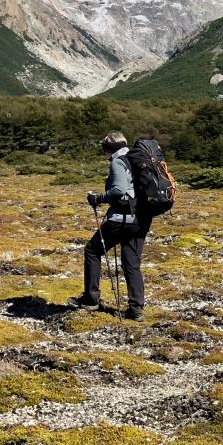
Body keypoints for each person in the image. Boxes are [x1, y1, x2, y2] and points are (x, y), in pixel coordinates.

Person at [69, 131, 149, 321]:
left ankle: (91, 299)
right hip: (141, 220)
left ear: (109, 149)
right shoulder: (138, 160)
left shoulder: (119, 161)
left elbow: (119, 190)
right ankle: (136, 309)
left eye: (104, 149)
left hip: (120, 219)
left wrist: (98, 199)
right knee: (132, 263)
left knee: (92, 251)